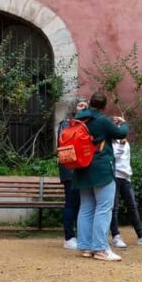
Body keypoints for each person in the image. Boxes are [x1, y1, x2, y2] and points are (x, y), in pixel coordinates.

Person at [72, 92, 129, 262]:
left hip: (81, 166)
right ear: (105, 106)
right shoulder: (103, 120)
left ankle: (86, 246)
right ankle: (100, 248)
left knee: (86, 207)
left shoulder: (79, 118)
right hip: (101, 167)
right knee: (104, 208)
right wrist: (124, 124)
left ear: (90, 103)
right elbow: (120, 134)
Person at [108, 134, 142, 249]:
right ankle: (116, 236)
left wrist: (129, 176)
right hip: (114, 177)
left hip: (126, 178)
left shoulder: (126, 143)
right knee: (114, 208)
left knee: (133, 206)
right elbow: (113, 157)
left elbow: (126, 161)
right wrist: (121, 144)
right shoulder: (110, 143)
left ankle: (141, 236)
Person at [57, 97, 87, 250]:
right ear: (74, 108)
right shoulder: (66, 124)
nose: (85, 107)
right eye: (81, 105)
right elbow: (65, 148)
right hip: (70, 170)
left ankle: (80, 235)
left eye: (86, 105)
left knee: (82, 204)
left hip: (81, 170)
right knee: (71, 202)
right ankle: (69, 237)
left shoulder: (85, 125)